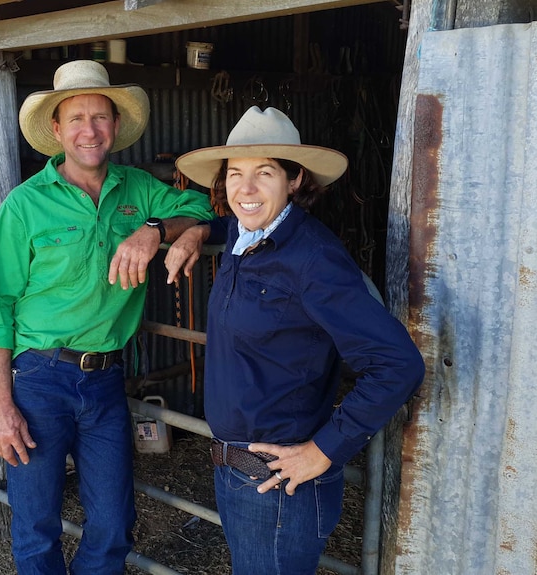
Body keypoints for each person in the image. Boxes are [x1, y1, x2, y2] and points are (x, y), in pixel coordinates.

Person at [0, 60, 215, 575]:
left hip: (105, 381)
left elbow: (201, 203)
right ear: (57, 130)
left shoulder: (137, 190)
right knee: (36, 525)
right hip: (38, 379)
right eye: (76, 118)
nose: (90, 130)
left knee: (114, 521)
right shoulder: (24, 207)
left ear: (116, 126)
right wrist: (0, 406)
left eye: (100, 117)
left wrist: (163, 231)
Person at [163, 106, 425, 574]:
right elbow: (236, 222)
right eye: (234, 174)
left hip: (279, 485)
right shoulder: (247, 237)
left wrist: (324, 450)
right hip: (237, 471)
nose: (245, 189)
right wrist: (199, 229)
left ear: (295, 180)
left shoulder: (314, 259)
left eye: (264, 173)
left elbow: (398, 364)